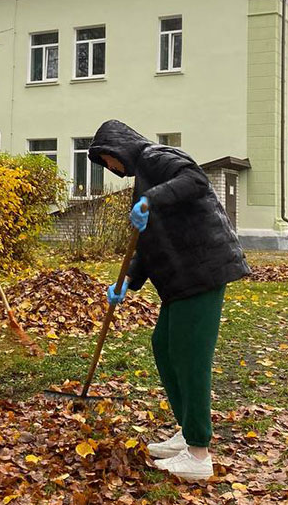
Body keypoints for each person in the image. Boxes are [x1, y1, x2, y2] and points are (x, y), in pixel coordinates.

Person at [88, 120, 250, 482]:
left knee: (190, 357)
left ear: (117, 150)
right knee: (164, 345)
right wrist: (127, 280)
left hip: (202, 271)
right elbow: (148, 245)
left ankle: (199, 453)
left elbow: (195, 181)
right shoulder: (142, 181)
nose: (111, 171)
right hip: (180, 281)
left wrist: (151, 198)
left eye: (106, 161)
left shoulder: (157, 157)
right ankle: (187, 431)